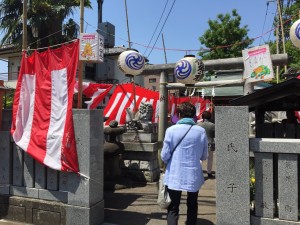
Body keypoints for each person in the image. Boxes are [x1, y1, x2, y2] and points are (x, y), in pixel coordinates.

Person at [161, 102, 208, 225]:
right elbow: (204, 155)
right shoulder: (201, 131)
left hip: (175, 173)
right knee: (192, 205)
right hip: (193, 174)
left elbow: (164, 155)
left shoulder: (171, 130)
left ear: (179, 114)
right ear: (193, 115)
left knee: (173, 207)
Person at [198, 111, 215, 178]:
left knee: (200, 159)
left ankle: (198, 172)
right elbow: (214, 135)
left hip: (200, 143)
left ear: (203, 117)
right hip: (210, 143)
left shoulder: (199, 125)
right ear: (210, 117)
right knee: (210, 159)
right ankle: (209, 172)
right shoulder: (212, 125)